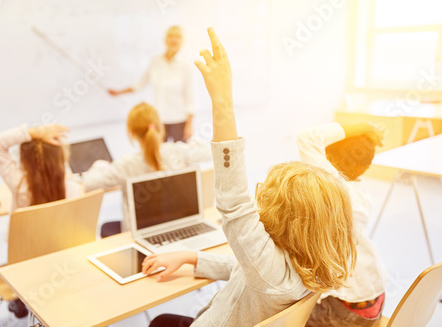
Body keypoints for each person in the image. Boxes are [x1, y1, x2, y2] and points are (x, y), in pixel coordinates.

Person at [141, 27, 357, 327]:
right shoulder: (304, 264)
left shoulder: (269, 271)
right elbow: (241, 265)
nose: (259, 203)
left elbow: (234, 203)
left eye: (267, 199)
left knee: (159, 321)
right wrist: (193, 259)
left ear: (284, 220)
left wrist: (222, 101)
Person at [298, 122, 388, 327]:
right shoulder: (360, 194)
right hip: (374, 298)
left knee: (279, 316)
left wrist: (363, 126)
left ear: (328, 159)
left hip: (344, 310)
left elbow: (307, 136)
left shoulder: (332, 187)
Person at [0, 123, 82, 318]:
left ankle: (21, 301)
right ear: (61, 158)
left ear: (24, 160)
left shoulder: (19, 185)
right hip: (64, 265)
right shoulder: (74, 188)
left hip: (24, 268)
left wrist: (35, 133)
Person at [81, 102, 210, 233]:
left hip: (141, 233)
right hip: (179, 226)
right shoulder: (177, 151)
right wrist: (194, 142)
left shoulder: (125, 164)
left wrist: (98, 166)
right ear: (160, 127)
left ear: (131, 133)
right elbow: (210, 152)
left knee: (105, 227)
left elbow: (88, 184)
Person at [108, 26, 194, 142]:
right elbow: (140, 84)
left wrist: (189, 125)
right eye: (171, 36)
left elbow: (190, 97)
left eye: (177, 37)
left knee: (181, 156)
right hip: (158, 120)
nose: (174, 40)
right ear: (165, 39)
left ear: (182, 41)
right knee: (159, 154)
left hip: (179, 120)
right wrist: (118, 92)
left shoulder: (185, 65)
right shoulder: (155, 61)